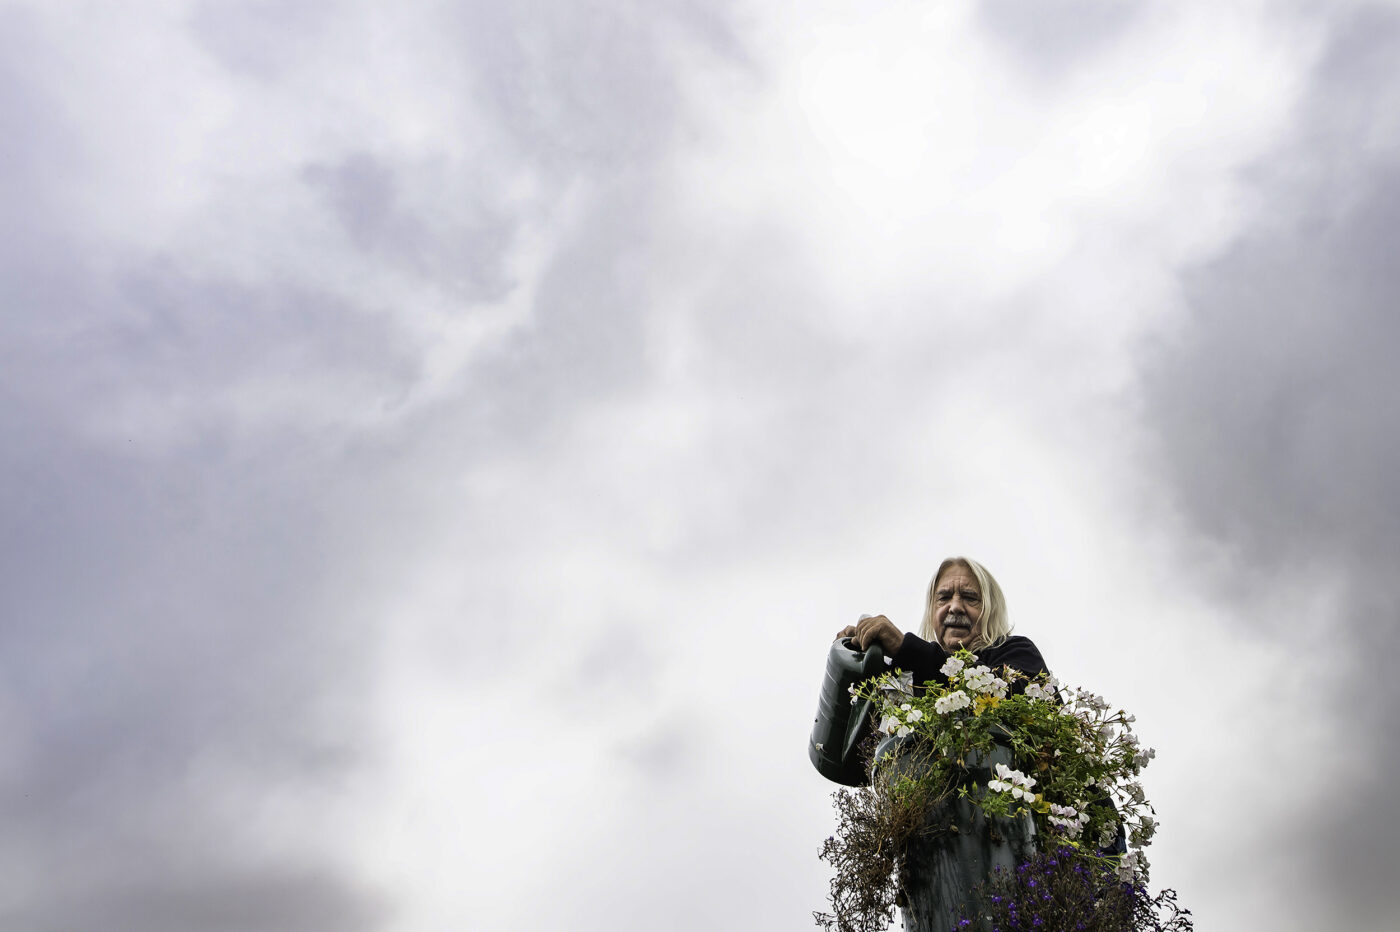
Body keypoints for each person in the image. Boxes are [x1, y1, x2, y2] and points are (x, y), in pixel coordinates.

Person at [834, 556, 1047, 689]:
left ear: (991, 610)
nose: (954, 607)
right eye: (944, 598)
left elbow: (1007, 692)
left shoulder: (1019, 653)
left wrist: (905, 647)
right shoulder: (906, 676)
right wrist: (860, 658)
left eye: (969, 597)